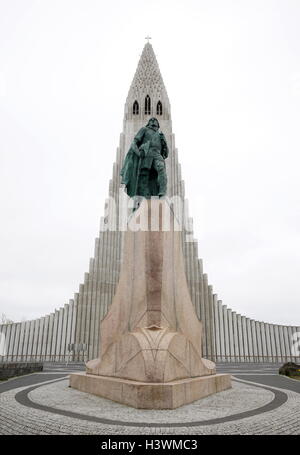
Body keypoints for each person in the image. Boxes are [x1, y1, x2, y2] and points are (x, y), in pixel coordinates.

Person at [120, 117, 169, 198]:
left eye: (155, 120)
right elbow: (134, 143)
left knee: (161, 169)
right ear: (148, 123)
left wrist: (164, 141)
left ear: (158, 124)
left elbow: (166, 153)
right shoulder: (144, 130)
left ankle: (162, 192)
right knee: (144, 176)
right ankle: (144, 198)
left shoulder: (160, 135)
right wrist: (138, 153)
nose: (153, 121)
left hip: (157, 155)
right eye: (151, 120)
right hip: (147, 154)